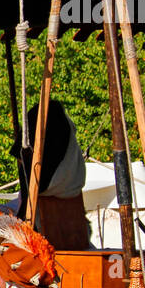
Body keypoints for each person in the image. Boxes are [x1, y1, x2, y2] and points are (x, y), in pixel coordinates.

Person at [16, 99, 91, 250]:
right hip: (52, 188)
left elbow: (21, 158)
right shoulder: (72, 171)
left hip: (45, 189)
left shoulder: (53, 124)